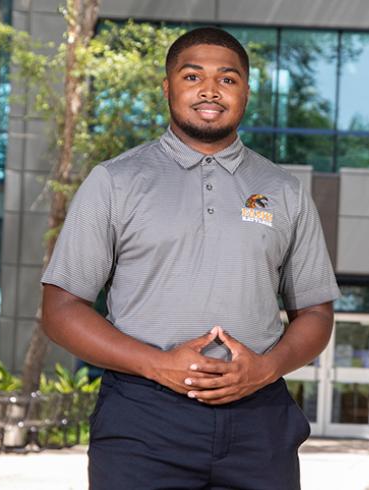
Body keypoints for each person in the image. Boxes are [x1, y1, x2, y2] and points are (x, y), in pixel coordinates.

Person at [40, 27, 339, 489]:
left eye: (227, 78)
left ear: (245, 92)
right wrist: (156, 364)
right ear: (167, 87)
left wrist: (267, 367)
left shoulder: (284, 191)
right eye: (192, 75)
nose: (210, 89)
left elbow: (316, 313)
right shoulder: (115, 181)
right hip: (142, 421)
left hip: (258, 422)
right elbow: (60, 310)